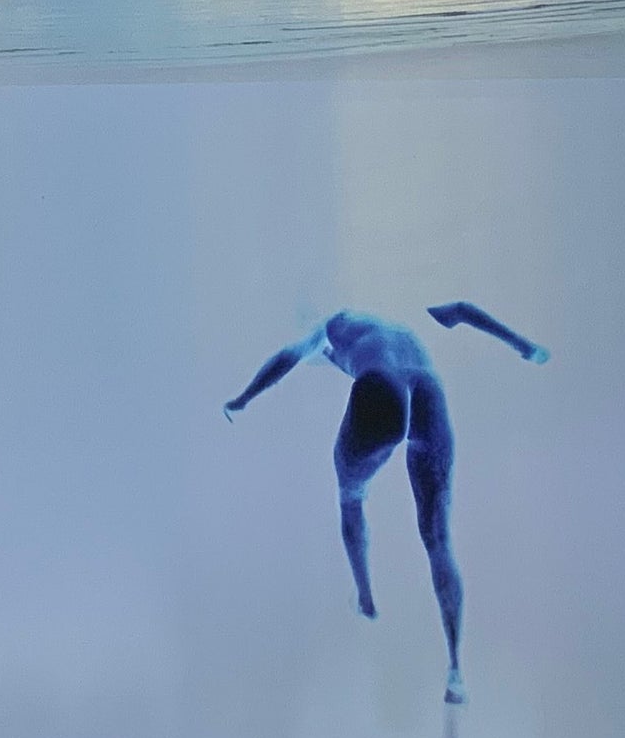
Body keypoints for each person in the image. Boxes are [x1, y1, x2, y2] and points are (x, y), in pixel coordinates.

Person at [223, 302, 547, 704]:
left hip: (382, 387)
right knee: (438, 539)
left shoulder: (331, 326)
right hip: (428, 388)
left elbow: (288, 357)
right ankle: (455, 671)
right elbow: (461, 310)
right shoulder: (392, 331)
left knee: (351, 496)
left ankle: (365, 597)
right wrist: (522, 345)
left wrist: (244, 397)